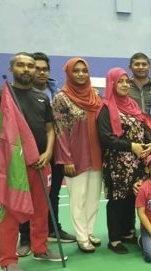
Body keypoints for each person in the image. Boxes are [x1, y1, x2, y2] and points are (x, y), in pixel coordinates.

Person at [0, 52, 66, 271]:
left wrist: (48, 152)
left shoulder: (41, 98)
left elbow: (49, 129)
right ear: (11, 68)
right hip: (14, 167)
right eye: (21, 65)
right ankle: (7, 261)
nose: (27, 69)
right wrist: (12, 152)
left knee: (41, 209)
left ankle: (40, 248)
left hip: (40, 164)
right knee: (11, 213)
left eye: (30, 66)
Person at [17, 52, 75, 258]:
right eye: (37, 68)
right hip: (26, 157)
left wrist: (53, 151)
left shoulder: (54, 92)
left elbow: (54, 127)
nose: (41, 72)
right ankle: (25, 237)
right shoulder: (17, 95)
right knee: (26, 198)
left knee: (52, 195)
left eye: (44, 69)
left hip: (54, 153)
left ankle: (52, 230)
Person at [97, 67, 151, 254]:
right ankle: (114, 239)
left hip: (137, 161)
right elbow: (106, 138)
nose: (123, 85)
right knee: (117, 200)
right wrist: (132, 146)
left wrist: (150, 144)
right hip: (117, 163)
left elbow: (143, 128)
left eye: (125, 82)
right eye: (119, 81)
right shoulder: (106, 107)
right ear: (111, 84)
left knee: (133, 196)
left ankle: (128, 232)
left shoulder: (133, 105)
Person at [52, 57, 103, 253]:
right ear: (69, 73)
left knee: (93, 197)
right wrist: (66, 159)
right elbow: (60, 131)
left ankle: (89, 231)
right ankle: (81, 237)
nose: (81, 74)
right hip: (75, 156)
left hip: (96, 153)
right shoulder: (61, 98)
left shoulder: (96, 95)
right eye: (76, 70)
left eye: (84, 70)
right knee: (78, 198)